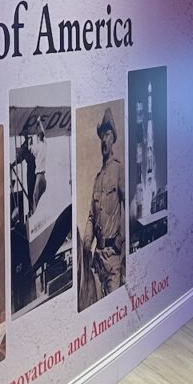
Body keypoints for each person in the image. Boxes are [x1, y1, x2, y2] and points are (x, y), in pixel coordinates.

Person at [84, 107, 125, 296]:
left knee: (115, 304)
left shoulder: (118, 170)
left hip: (113, 257)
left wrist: (120, 239)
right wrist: (87, 242)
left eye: (107, 135)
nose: (103, 140)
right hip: (97, 259)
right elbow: (91, 217)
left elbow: (128, 206)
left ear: (113, 138)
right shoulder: (97, 179)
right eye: (102, 135)